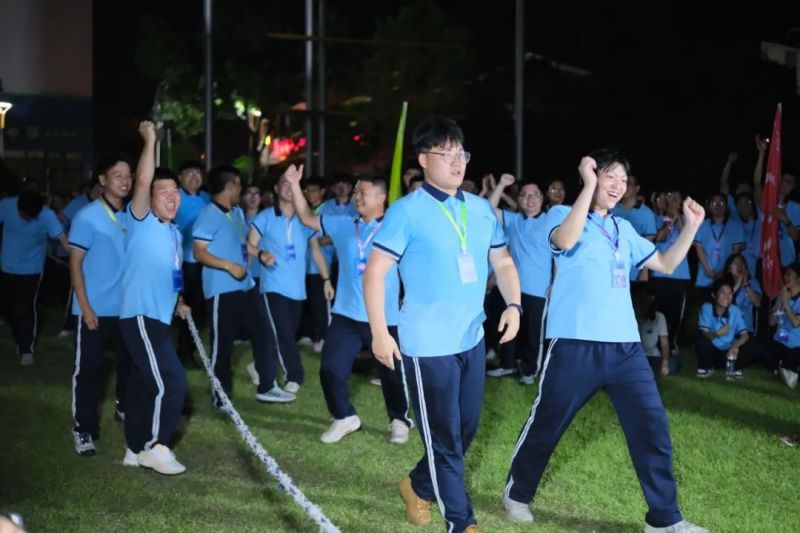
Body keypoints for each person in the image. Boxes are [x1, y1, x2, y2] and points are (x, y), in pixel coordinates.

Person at [503, 149, 708, 533]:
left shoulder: (623, 229)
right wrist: (587, 186)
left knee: (651, 426)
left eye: (623, 180)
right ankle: (517, 494)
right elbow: (565, 241)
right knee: (548, 421)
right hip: (574, 343)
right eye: (609, 176)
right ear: (593, 175)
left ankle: (664, 519)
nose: (617, 185)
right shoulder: (561, 213)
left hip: (625, 348)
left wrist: (692, 227)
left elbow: (665, 264)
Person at [365, 117, 521, 533]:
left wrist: (514, 304)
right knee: (445, 438)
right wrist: (380, 333)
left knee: (465, 429)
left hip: (471, 337)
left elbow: (503, 261)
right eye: (445, 153)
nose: (457, 162)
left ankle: (417, 485)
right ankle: (460, 521)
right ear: (423, 159)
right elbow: (375, 272)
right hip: (427, 344)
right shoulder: (406, 212)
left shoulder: (480, 208)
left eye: (461, 153)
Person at [286, 167, 413, 444]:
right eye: (356, 192)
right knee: (330, 369)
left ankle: (399, 419)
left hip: (385, 317)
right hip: (346, 314)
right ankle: (343, 416)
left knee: (392, 374)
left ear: (381, 197)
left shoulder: (396, 229)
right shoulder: (344, 224)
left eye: (363, 192)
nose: (357, 197)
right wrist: (295, 184)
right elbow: (307, 217)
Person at [118, 121, 190, 475]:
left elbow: (172, 272)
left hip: (160, 318)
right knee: (172, 380)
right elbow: (143, 180)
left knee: (143, 385)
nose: (172, 197)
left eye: (176, 191)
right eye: (164, 192)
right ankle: (156, 446)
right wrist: (149, 141)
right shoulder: (141, 219)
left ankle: (134, 449)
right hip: (140, 315)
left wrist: (179, 301)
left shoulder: (174, 233)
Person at [193, 165, 296, 407]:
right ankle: (221, 397)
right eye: (239, 185)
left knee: (264, 334)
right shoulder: (208, 215)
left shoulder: (236, 212)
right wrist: (228, 266)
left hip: (246, 287)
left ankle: (267, 387)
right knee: (222, 347)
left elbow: (241, 244)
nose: (241, 189)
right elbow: (199, 252)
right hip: (222, 291)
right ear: (230, 185)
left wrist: (259, 253)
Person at [68, 154, 134, 456]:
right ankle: (83, 430)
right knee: (89, 372)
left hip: (126, 309)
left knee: (129, 365)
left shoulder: (132, 216)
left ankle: (123, 406)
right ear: (103, 180)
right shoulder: (87, 217)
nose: (125, 181)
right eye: (118, 175)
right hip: (94, 309)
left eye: (128, 175)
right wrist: (85, 307)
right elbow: (75, 264)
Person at [248, 172, 330, 395]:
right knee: (283, 333)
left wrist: (326, 279)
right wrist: (261, 254)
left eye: (291, 184)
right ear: (276, 189)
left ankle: (258, 365)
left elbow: (316, 251)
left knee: (281, 333)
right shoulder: (265, 217)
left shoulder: (305, 219)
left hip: (297, 289)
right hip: (272, 286)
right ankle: (294, 375)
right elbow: (249, 245)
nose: (287, 188)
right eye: (283, 183)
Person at [486, 173, 551, 383]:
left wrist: (556, 282)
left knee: (533, 333)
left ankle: (530, 371)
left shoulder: (551, 221)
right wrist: (501, 185)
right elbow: (488, 210)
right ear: (519, 199)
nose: (529, 199)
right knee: (507, 327)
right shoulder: (515, 220)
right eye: (524, 195)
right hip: (513, 288)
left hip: (538, 289)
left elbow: (561, 255)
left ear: (541, 198)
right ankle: (507, 365)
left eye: (534, 194)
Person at [0, 188, 69, 365]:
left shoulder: (47, 215)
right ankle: (19, 339)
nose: (25, 218)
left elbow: (63, 240)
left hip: (31, 270)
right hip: (7, 267)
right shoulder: (6, 205)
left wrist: (80, 258)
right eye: (23, 214)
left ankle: (26, 349)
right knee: (8, 309)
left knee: (25, 307)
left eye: (30, 216)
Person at [173, 160, 211, 368]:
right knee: (186, 308)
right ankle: (183, 352)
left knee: (200, 310)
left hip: (205, 262)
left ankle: (189, 351)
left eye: (198, 173)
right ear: (180, 177)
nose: (195, 177)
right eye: (189, 173)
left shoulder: (206, 198)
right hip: (184, 263)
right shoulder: (175, 197)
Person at [650, 190, 691, 357]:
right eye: (669, 197)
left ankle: (672, 343)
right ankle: (656, 344)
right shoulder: (655, 218)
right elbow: (658, 238)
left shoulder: (687, 219)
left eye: (676, 198)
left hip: (679, 274)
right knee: (658, 310)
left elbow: (687, 238)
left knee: (676, 313)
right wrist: (668, 222)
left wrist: (678, 218)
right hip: (659, 272)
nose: (672, 201)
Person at [694, 276, 759, 379]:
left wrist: (736, 345)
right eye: (723, 293)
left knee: (750, 344)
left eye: (730, 294)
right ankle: (705, 367)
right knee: (702, 341)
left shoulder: (735, 311)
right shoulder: (707, 308)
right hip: (712, 351)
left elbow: (745, 335)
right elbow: (704, 334)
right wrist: (717, 333)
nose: (727, 297)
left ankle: (734, 367)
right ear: (714, 295)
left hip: (729, 352)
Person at [300, 175, 333, 353]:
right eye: (306, 191)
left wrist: (312, 242)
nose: (310, 194)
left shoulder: (329, 210)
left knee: (321, 304)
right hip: (304, 267)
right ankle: (310, 335)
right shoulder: (303, 210)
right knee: (308, 303)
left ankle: (326, 337)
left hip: (321, 267)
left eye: (314, 191)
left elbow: (333, 236)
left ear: (322, 191)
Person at [693, 193, 744, 295]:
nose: (717, 205)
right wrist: (708, 271)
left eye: (721, 203)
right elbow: (698, 249)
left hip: (725, 277)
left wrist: (724, 271)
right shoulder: (701, 224)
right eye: (714, 203)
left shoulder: (735, 226)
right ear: (709, 206)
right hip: (704, 277)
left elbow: (735, 253)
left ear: (726, 206)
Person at [611, 173, 657, 282]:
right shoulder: (611, 209)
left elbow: (647, 245)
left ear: (637, 188)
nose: (625, 186)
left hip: (634, 271)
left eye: (629, 183)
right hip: (611, 268)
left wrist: (644, 272)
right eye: (623, 182)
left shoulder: (646, 213)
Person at [632, 284, 673, 377]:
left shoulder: (659, 317)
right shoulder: (628, 315)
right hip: (632, 356)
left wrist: (665, 362)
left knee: (674, 363)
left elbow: (665, 344)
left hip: (652, 356)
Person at [772, 263, 800, 389]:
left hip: (796, 344)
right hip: (781, 340)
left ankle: (789, 372)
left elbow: (795, 323)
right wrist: (780, 301)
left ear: (798, 279)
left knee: (792, 357)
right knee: (766, 354)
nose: (785, 277)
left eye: (789, 275)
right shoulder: (783, 295)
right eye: (785, 274)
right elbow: (772, 322)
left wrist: (786, 304)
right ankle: (785, 371)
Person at [723, 253, 762, 336]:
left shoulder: (753, 282)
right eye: (735, 263)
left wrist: (746, 284)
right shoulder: (724, 284)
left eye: (741, 263)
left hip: (745, 331)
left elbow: (758, 303)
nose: (739, 266)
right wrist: (738, 282)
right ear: (729, 269)